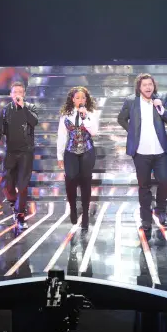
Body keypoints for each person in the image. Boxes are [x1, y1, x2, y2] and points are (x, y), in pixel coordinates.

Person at [117, 73, 167, 235]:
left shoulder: (161, 98)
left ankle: (161, 210)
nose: (148, 87)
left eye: (150, 84)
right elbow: (121, 119)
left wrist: (161, 109)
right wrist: (132, 132)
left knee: (164, 180)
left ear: (154, 86)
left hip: (160, 150)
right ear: (139, 87)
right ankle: (146, 219)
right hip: (141, 152)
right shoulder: (131, 101)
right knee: (144, 186)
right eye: (145, 85)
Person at [0, 81, 39, 229]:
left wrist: (23, 107)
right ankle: (14, 204)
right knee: (7, 185)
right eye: (15, 92)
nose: (17, 94)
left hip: (26, 152)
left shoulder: (30, 108)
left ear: (24, 94)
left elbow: (34, 122)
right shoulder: (5, 110)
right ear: (10, 94)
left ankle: (20, 215)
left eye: (20, 92)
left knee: (23, 185)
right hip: (11, 152)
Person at [57, 86, 99, 229]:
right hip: (70, 151)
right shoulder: (65, 114)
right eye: (77, 98)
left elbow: (94, 132)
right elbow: (61, 136)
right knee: (70, 180)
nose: (80, 100)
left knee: (86, 181)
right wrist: (59, 155)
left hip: (87, 150)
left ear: (86, 100)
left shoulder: (91, 113)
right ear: (72, 99)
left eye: (83, 97)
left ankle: (85, 213)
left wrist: (85, 116)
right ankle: (73, 208)